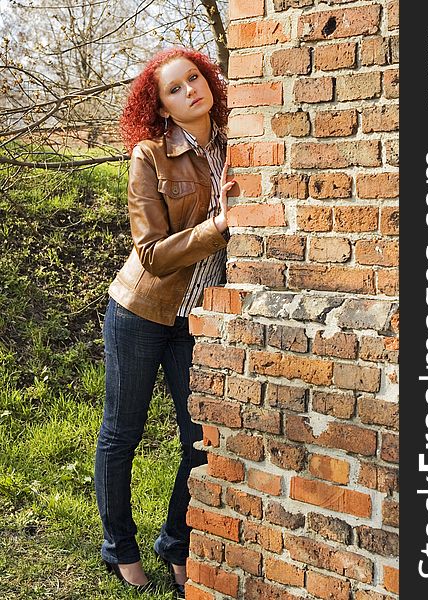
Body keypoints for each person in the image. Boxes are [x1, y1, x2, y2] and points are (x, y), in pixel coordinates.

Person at [94, 46, 234, 597]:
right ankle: (118, 548)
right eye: (173, 89)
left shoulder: (237, 145)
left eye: (193, 79)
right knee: (121, 433)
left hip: (195, 318)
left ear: (209, 83)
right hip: (142, 310)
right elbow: (150, 252)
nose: (189, 91)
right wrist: (220, 226)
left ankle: (175, 544)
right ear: (161, 109)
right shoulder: (150, 155)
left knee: (199, 436)